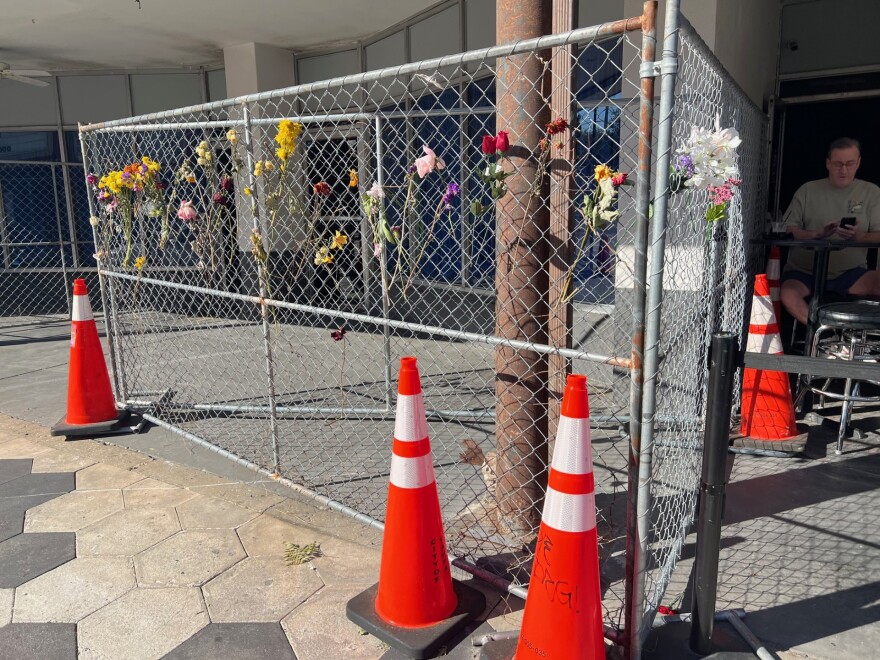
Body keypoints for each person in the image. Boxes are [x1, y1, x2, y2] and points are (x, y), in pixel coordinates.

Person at [780, 137, 880, 325]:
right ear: (828, 163)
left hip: (851, 274)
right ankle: (827, 333)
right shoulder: (808, 190)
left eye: (850, 164)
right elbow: (789, 228)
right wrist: (817, 235)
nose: (844, 170)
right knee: (788, 294)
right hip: (804, 272)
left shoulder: (871, 192)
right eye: (838, 164)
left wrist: (858, 237)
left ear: (859, 162)